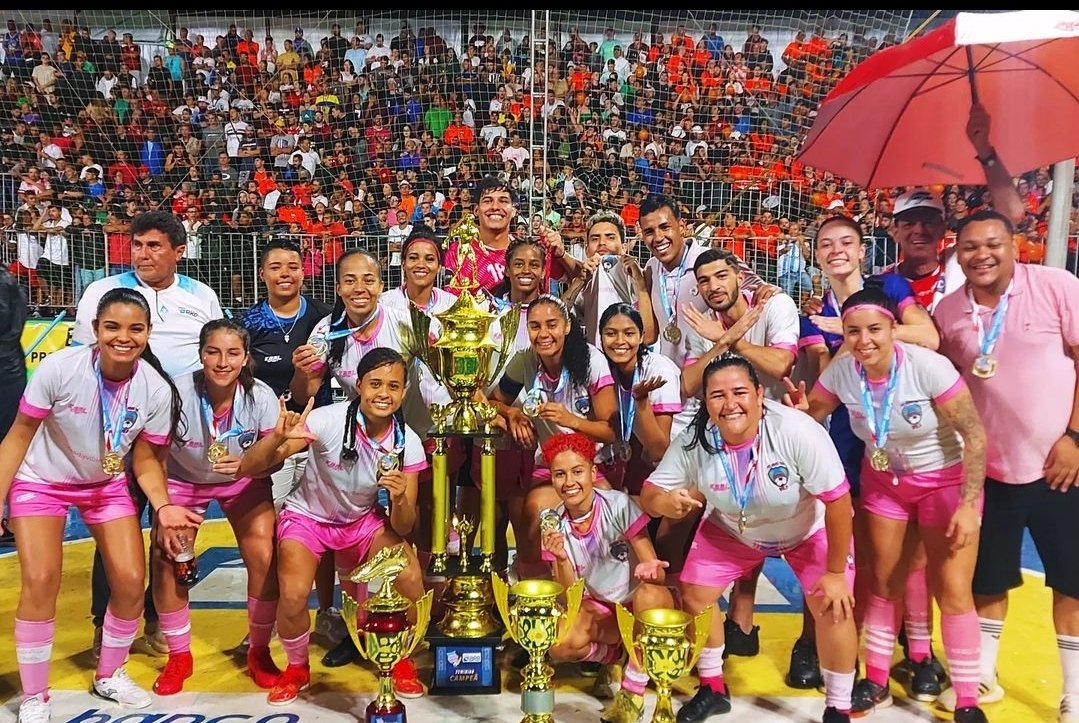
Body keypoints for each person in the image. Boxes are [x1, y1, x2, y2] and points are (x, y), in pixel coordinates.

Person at [787, 287, 989, 721]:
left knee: (952, 588)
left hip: (944, 481)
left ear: (894, 329)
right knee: (884, 581)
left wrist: (969, 505)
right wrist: (802, 412)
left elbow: (974, 435)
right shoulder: (843, 372)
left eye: (875, 329)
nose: (864, 341)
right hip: (885, 483)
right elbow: (812, 414)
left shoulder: (928, 368)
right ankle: (876, 680)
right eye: (853, 331)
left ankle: (968, 700)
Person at [0, 288, 201, 723]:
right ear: (95, 329)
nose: (123, 337)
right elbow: (18, 435)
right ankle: (35, 696)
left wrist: (163, 506)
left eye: (135, 328)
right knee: (40, 579)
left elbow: (146, 460)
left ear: (149, 333)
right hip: (42, 483)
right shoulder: (60, 368)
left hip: (104, 485)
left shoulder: (155, 389)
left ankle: (109, 673)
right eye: (112, 327)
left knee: (130, 581)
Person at [641, 355, 858, 723]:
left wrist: (836, 572)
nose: (730, 404)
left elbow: (838, 502)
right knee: (694, 593)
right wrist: (668, 501)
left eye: (740, 392)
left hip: (805, 528)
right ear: (705, 403)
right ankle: (712, 687)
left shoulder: (795, 430)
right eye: (717, 396)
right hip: (734, 528)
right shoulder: (698, 438)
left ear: (759, 394)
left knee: (834, 606)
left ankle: (839, 706)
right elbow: (650, 493)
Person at [933, 210, 1079, 721]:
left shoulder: (1056, 286)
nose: (982, 255)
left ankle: (1074, 694)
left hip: (1060, 464)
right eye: (969, 247)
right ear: (958, 254)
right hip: (987, 471)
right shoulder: (948, 312)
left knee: (1072, 581)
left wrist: (1075, 437)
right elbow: (947, 381)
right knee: (987, 580)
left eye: (992, 243)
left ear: (1015, 244)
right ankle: (985, 675)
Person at [794, 215, 941, 693]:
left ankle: (921, 652)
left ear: (862, 251)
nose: (836, 250)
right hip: (842, 442)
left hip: (899, 441)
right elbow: (821, 389)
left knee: (905, 558)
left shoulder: (891, 287)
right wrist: (850, 335)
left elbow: (931, 336)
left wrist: (859, 327)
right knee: (839, 551)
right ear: (816, 255)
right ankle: (827, 645)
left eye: (846, 242)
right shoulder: (812, 315)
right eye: (825, 244)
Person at [238, 347, 429, 703]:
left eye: (393, 386)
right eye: (375, 384)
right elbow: (252, 467)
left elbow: (403, 526)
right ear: (358, 386)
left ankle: (399, 657)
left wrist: (401, 497)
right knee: (294, 594)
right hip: (308, 518)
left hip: (361, 521)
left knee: (409, 577)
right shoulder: (327, 419)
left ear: (404, 393)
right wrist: (277, 439)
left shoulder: (409, 444)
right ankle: (297, 668)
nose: (383, 393)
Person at [74, 210, 223, 657]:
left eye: (154, 245)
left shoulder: (202, 296)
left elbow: (215, 359)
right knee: (114, 525)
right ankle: (107, 622)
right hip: (120, 434)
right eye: (137, 244)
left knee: (169, 528)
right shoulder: (102, 292)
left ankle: (160, 619)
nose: (143, 254)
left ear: (179, 252)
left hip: (180, 435)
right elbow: (83, 362)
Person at [150, 320, 282, 695]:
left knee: (264, 553)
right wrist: (162, 505)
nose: (222, 362)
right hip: (182, 477)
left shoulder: (261, 397)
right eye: (213, 352)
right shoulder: (175, 393)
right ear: (200, 354)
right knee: (169, 557)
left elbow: (274, 459)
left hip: (242, 478)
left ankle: (258, 651)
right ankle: (179, 655)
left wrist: (249, 466)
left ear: (245, 358)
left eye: (232, 353)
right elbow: (153, 454)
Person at [539, 432, 674, 723]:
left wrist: (649, 569)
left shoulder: (618, 505)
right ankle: (614, 657)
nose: (569, 482)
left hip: (639, 604)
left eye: (577, 471)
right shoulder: (553, 524)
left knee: (649, 594)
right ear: (551, 478)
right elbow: (568, 599)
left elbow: (655, 569)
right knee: (559, 639)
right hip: (604, 612)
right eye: (560, 474)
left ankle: (631, 693)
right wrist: (561, 557)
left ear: (592, 471)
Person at [490, 294, 617, 578]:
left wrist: (569, 419)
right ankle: (535, 590)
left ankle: (598, 594)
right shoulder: (524, 361)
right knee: (533, 513)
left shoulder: (590, 361)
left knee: (606, 521)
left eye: (552, 325)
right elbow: (493, 401)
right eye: (535, 326)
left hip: (591, 465)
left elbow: (610, 431)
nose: (543, 334)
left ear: (567, 326)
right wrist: (513, 414)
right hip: (549, 466)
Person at [596, 303, 681, 495]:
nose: (620, 341)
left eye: (629, 333)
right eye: (610, 334)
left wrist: (641, 402)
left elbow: (659, 451)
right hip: (632, 454)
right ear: (600, 337)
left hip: (672, 461)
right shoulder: (603, 367)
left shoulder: (659, 371)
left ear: (642, 336)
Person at [563, 210, 656, 348]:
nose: (602, 243)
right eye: (595, 238)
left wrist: (640, 283)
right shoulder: (583, 280)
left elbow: (649, 336)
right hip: (597, 362)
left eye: (610, 237)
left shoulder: (641, 276)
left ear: (624, 247)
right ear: (587, 250)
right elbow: (558, 318)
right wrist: (580, 281)